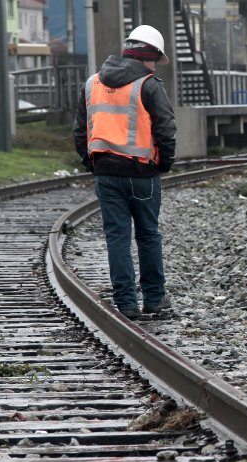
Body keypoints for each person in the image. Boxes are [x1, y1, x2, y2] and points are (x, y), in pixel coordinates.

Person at [73, 25, 176, 319]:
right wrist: (164, 163)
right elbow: (166, 130)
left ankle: (127, 304)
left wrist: (91, 162)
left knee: (117, 237)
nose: (155, 65)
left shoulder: (92, 83)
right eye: (155, 59)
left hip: (106, 172)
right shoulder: (149, 85)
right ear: (147, 56)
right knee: (148, 235)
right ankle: (154, 299)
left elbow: (81, 131)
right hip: (143, 173)